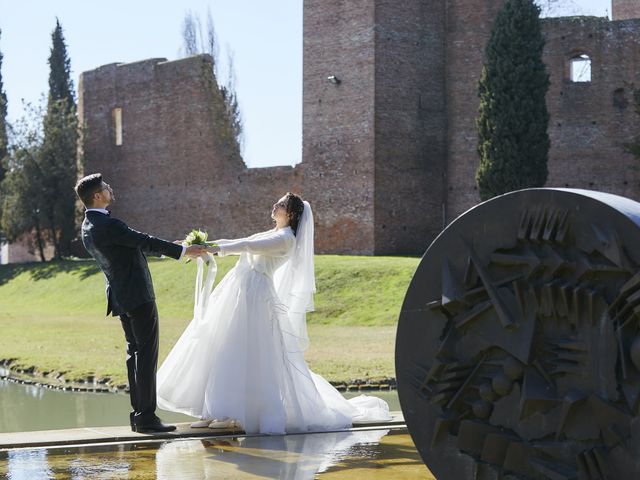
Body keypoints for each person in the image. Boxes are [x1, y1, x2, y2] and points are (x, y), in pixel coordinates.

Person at [157, 192, 390, 434]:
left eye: (280, 204)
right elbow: (241, 239)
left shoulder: (286, 239)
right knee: (221, 346)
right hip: (238, 291)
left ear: (289, 214)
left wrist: (210, 249)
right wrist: (199, 247)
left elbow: (247, 246)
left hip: (255, 297)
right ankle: (213, 409)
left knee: (239, 349)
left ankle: (228, 412)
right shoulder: (272, 233)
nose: (274, 205)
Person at [75, 173, 206, 433]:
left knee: (134, 354)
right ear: (97, 196)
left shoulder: (88, 226)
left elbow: (132, 246)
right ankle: (147, 417)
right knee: (146, 355)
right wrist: (182, 252)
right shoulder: (108, 225)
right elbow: (142, 240)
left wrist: (173, 246)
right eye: (105, 187)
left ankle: (139, 415)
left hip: (121, 296)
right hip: (137, 295)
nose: (110, 188)